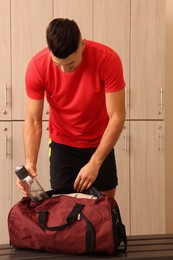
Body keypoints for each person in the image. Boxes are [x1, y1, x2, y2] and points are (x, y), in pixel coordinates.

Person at [17, 18, 126, 198]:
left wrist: (95, 163)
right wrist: (30, 163)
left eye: (70, 65)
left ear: (82, 45)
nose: (63, 71)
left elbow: (117, 116)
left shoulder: (108, 60)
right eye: (57, 64)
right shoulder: (37, 66)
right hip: (62, 146)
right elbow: (33, 120)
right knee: (63, 213)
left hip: (99, 144)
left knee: (104, 212)